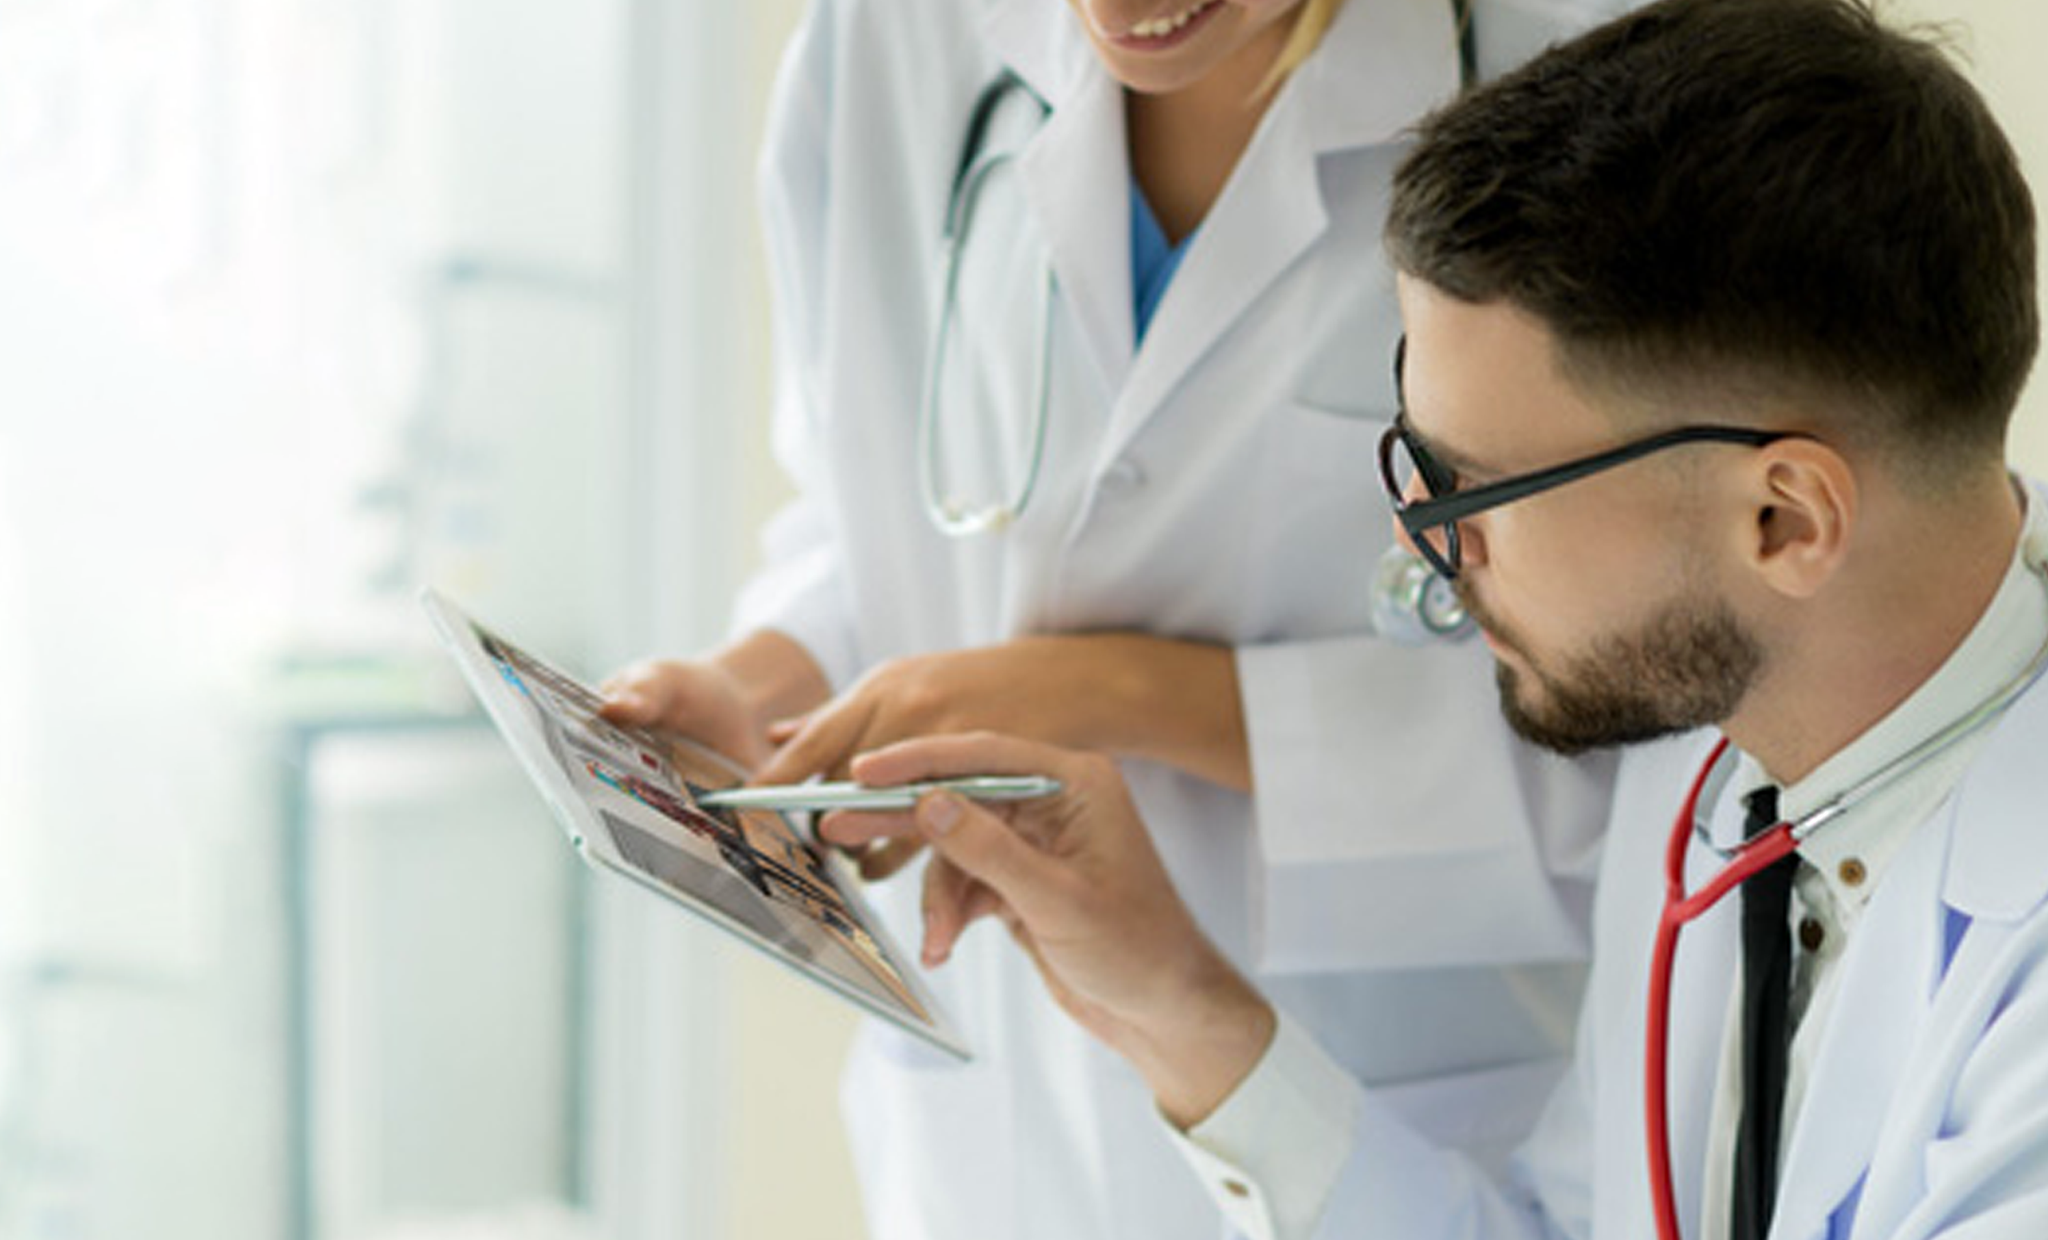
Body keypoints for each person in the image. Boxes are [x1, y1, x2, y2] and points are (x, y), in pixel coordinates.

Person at [829, 0, 2048, 1236]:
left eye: (1480, 488)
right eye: (1413, 463)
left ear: (1782, 520)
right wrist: (1171, 996)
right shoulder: (1713, 785)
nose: (1428, 548)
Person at [601, 0, 1638, 1235]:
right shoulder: (887, 39)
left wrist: (1103, 694)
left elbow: (1660, 742)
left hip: (1378, 1122)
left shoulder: (1595, 83)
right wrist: (773, 682)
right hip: (985, 1140)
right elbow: (868, 500)